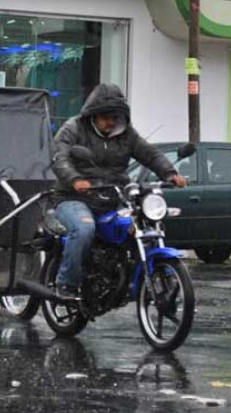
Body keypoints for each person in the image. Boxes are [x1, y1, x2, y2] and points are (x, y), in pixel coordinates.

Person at [51, 84, 187, 300]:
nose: (111, 122)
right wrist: (75, 179)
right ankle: (67, 283)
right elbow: (60, 158)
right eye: (105, 117)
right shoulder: (74, 128)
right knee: (84, 229)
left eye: (115, 116)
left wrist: (170, 174)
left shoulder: (126, 133)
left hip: (114, 197)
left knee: (143, 226)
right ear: (93, 115)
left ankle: (135, 279)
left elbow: (149, 154)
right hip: (74, 197)